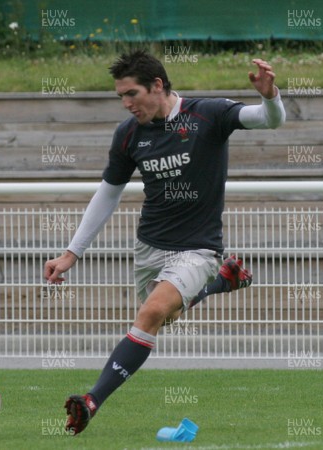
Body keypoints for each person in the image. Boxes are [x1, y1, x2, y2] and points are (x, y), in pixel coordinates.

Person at [44, 49, 284, 434]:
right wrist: (72, 253)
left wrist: (270, 97)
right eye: (120, 96)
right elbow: (108, 193)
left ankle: (91, 401)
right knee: (165, 315)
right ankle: (225, 279)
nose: (126, 104)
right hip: (150, 248)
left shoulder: (209, 114)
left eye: (132, 94)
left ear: (157, 86)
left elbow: (268, 121)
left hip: (198, 248)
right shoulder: (128, 135)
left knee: (152, 313)